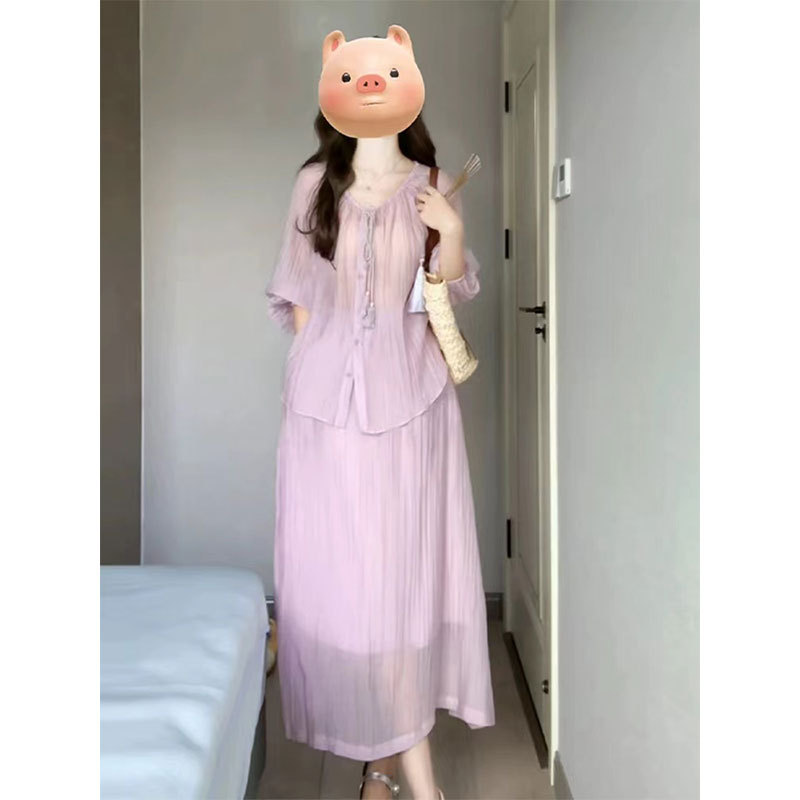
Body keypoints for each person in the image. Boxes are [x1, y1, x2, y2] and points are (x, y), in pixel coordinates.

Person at [265, 26, 495, 800]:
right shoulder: (313, 185)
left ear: (408, 81)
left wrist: (452, 231)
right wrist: (320, 379)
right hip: (325, 416)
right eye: (355, 73)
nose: (371, 85)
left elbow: (444, 290)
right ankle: (393, 773)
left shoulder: (433, 181)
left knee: (400, 585)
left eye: (387, 72)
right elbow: (302, 299)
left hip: (412, 408)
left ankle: (394, 774)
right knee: (350, 587)